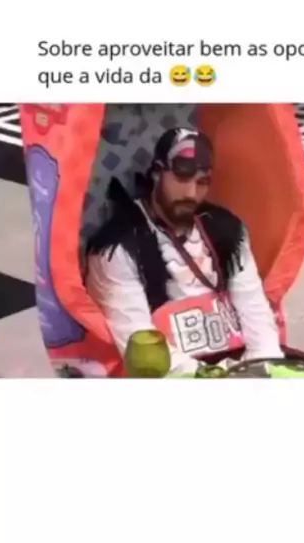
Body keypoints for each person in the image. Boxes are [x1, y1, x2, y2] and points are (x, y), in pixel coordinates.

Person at [85, 127, 284, 375]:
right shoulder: (117, 248)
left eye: (201, 182)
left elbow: (254, 309)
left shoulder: (228, 229)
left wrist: (266, 366)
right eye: (181, 178)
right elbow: (137, 343)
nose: (191, 193)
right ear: (157, 172)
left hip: (239, 366)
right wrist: (215, 379)